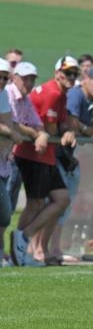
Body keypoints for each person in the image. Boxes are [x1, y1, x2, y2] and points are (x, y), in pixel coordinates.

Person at [10, 56, 77, 266]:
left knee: (60, 199)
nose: (71, 78)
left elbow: (61, 124)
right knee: (35, 203)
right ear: (57, 73)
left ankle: (23, 238)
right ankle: (20, 245)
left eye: (74, 74)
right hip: (34, 154)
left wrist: (67, 131)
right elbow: (49, 129)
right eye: (67, 73)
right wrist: (62, 132)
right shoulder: (52, 92)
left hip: (43, 155)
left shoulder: (60, 93)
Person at [49, 65, 93, 260]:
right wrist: (86, 128)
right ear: (86, 79)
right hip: (56, 154)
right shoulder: (76, 94)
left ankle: (54, 248)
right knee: (56, 202)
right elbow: (74, 125)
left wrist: (83, 128)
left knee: (65, 203)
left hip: (69, 157)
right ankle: (47, 248)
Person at [0, 59, 24, 266]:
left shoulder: (3, 95)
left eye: (4, 77)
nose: (1, 81)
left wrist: (9, 135)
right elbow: (7, 127)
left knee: (5, 214)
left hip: (2, 164)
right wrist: (11, 134)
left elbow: (6, 121)